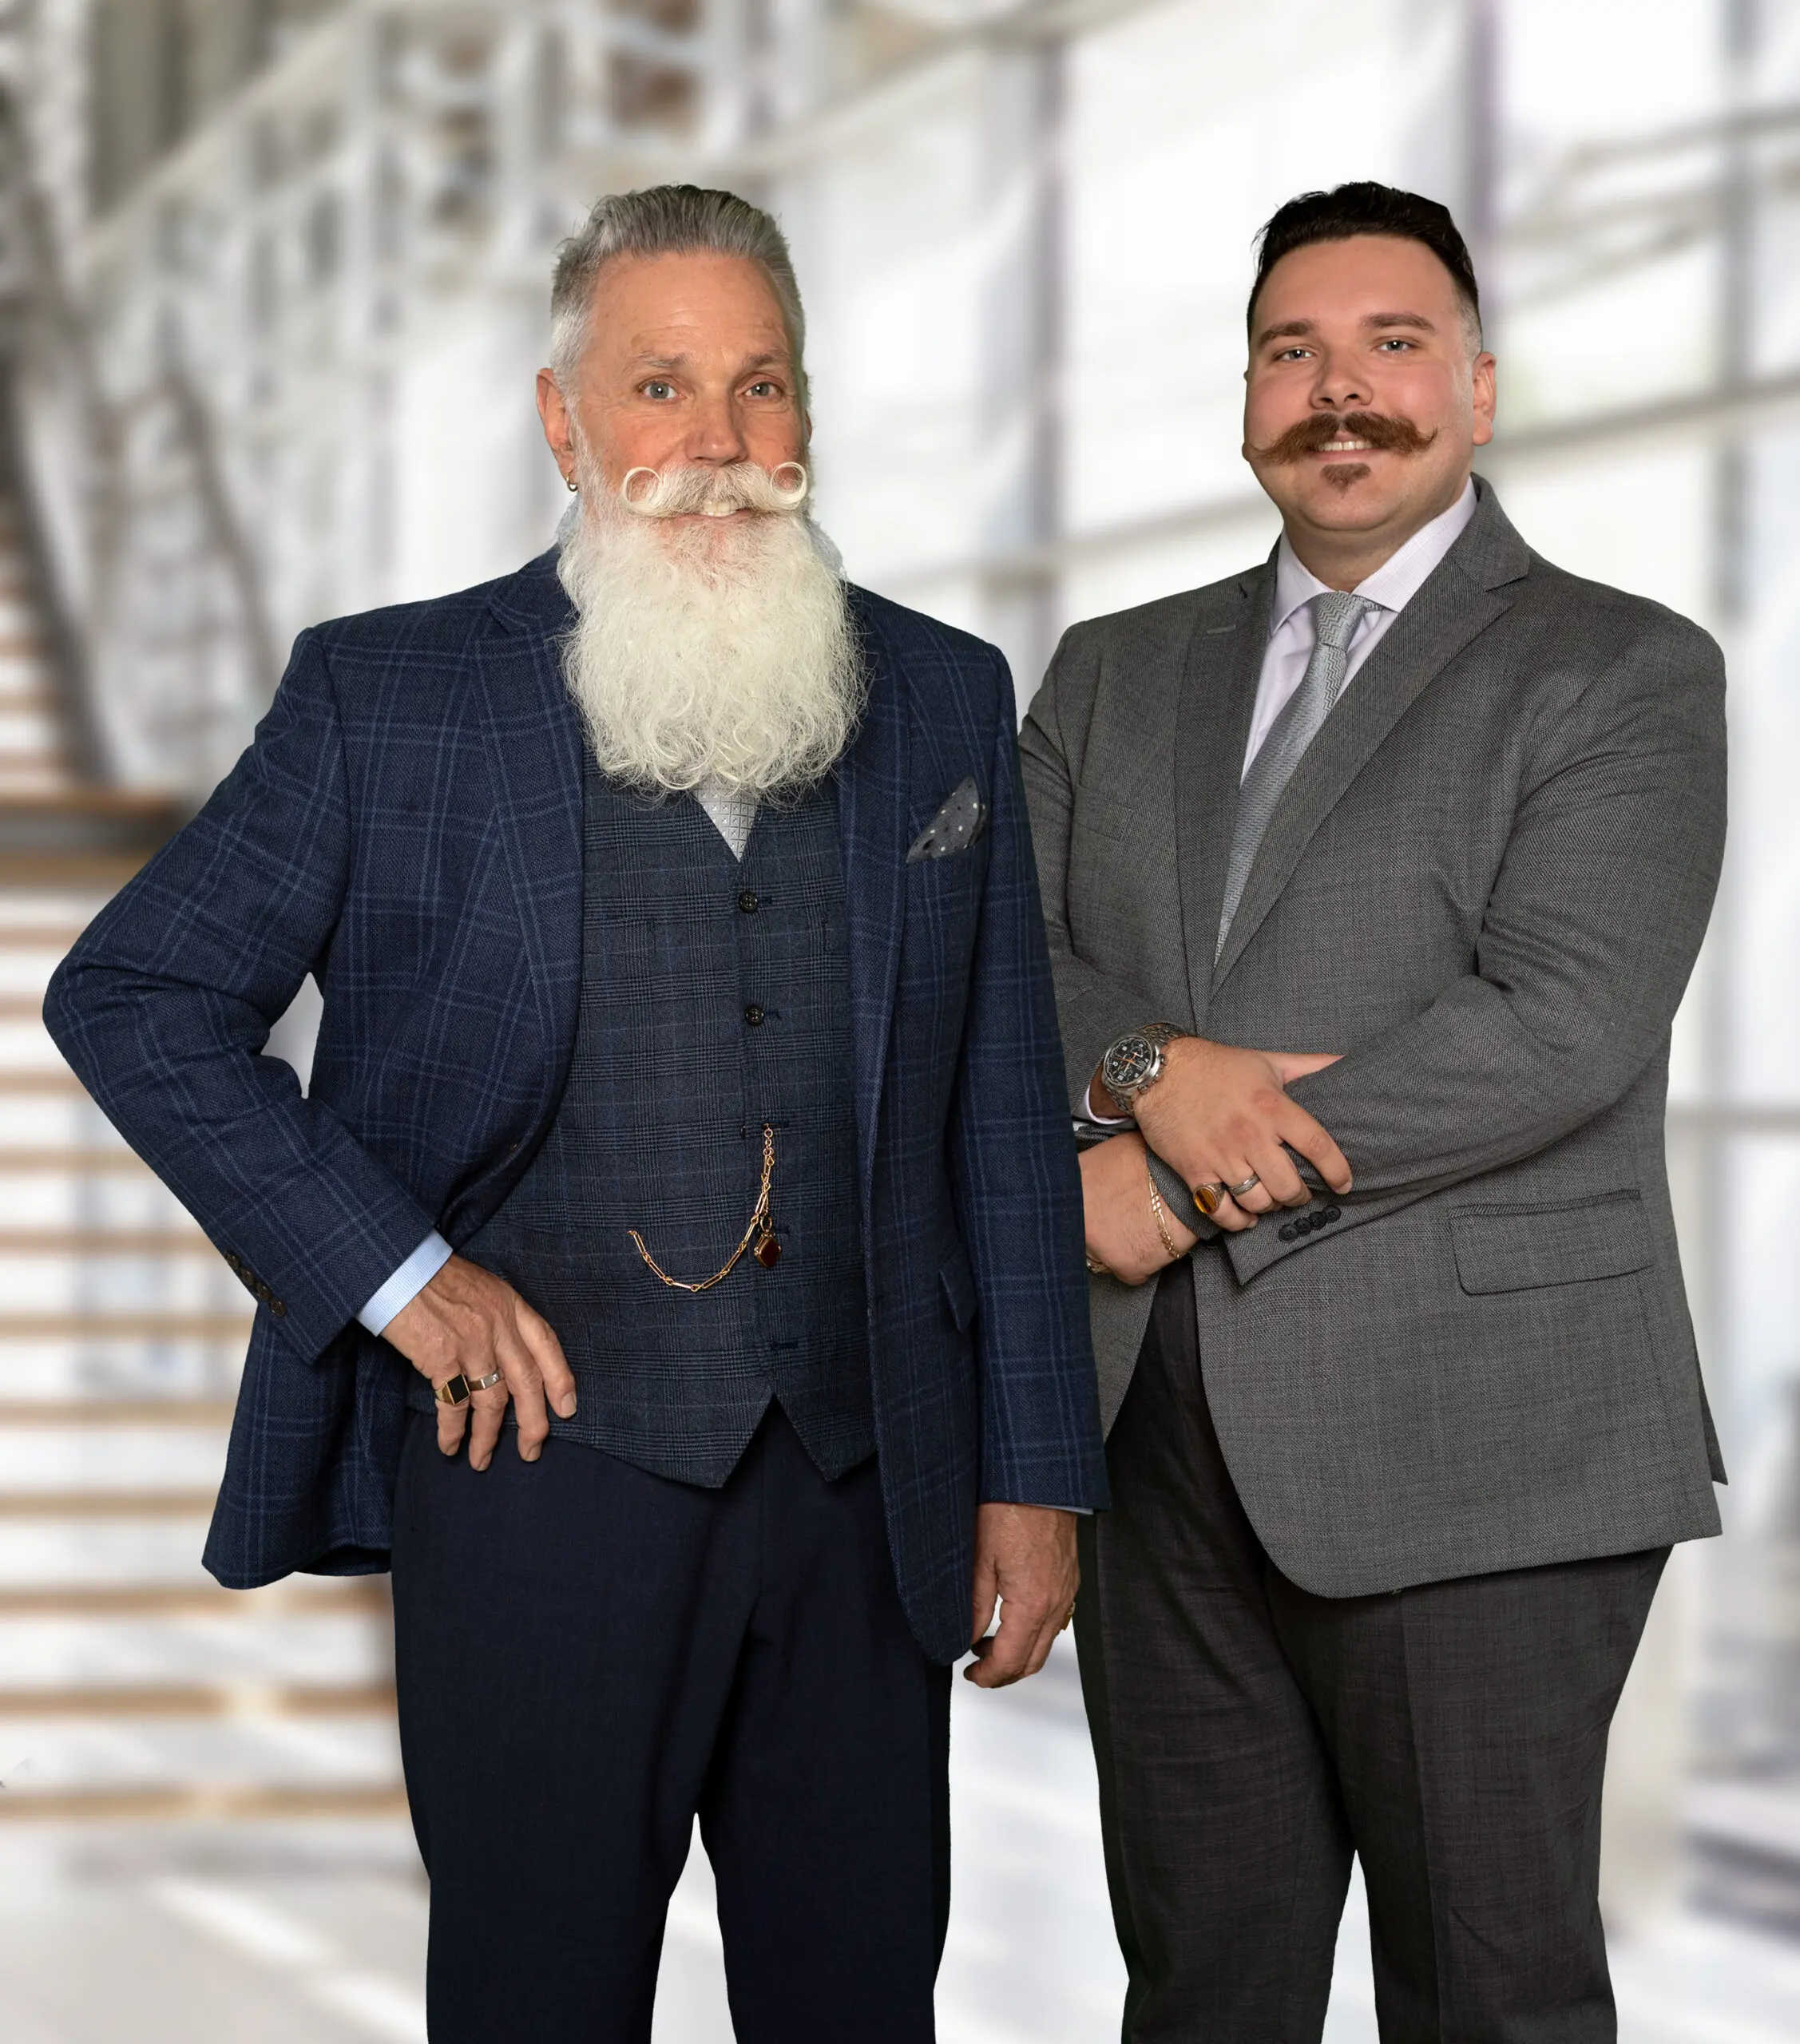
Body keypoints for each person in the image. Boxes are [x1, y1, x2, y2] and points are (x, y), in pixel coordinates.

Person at [47, 184, 1106, 2043]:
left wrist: (1035, 1468)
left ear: (810, 408)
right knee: (537, 2002)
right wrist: (397, 1276)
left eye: (762, 386)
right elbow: (133, 993)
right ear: (563, 421)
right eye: (660, 387)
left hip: (873, 1493)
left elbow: (1002, 1117)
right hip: (534, 1491)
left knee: (860, 2007)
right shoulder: (389, 695)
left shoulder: (941, 697)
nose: (719, 447)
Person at [1021, 180, 1726, 2042]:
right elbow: (993, 958)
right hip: (1159, 1442)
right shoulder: (1110, 670)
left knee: (1483, 1995)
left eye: (1391, 346)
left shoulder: (1618, 665)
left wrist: (1170, 1183)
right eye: (1290, 351)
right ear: (1245, 396)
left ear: (1477, 391)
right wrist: (1147, 1073)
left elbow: (1555, 1023)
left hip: (1483, 1442)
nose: (1339, 392)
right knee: (1200, 1989)